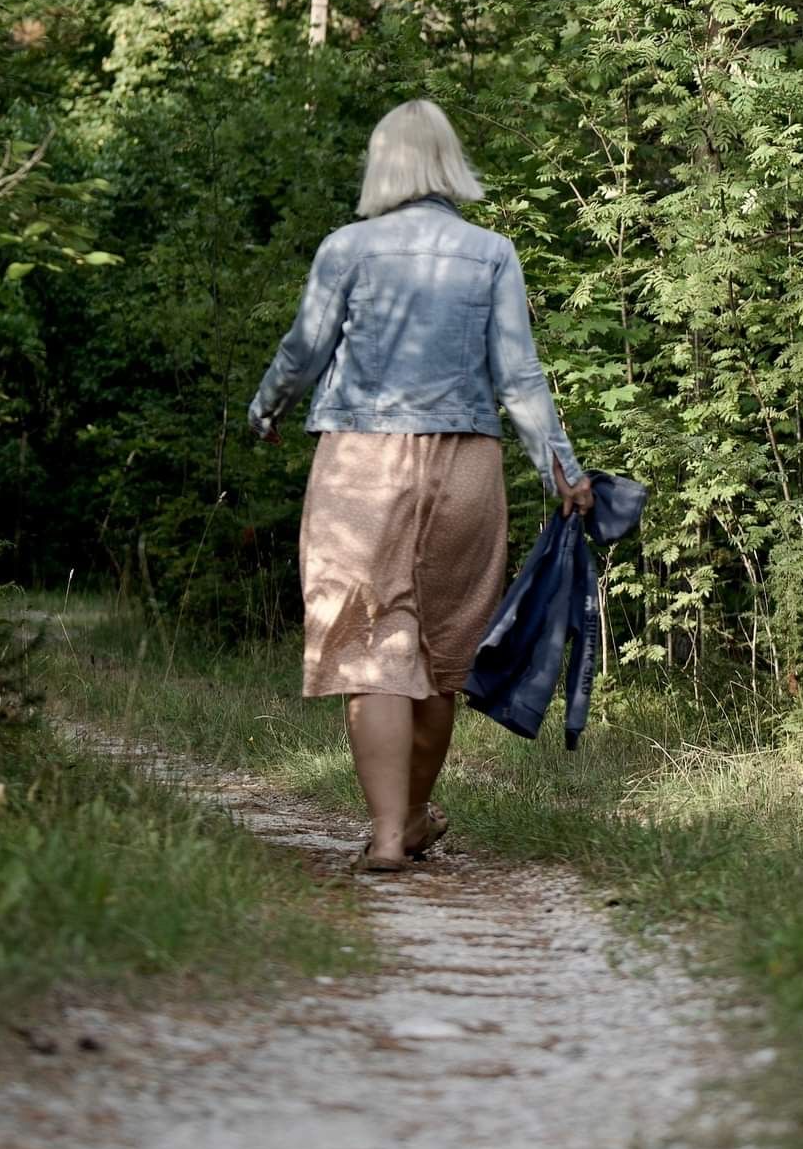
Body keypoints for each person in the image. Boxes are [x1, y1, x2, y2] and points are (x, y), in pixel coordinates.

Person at [248, 99, 593, 873]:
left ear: (383, 164)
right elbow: (520, 376)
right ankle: (407, 820)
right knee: (441, 655)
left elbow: (304, 351)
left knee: (374, 648)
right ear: (448, 163)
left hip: (362, 464)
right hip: (466, 466)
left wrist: (266, 408)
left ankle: (386, 835)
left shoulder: (347, 248)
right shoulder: (492, 251)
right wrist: (563, 473)